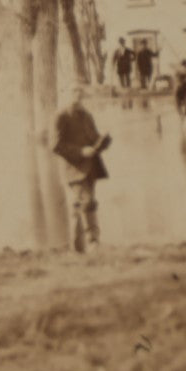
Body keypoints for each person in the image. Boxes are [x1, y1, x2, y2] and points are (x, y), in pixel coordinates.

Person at [54, 84, 111, 253]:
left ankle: (86, 245)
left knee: (88, 203)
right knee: (83, 203)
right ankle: (87, 244)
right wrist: (80, 152)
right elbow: (56, 145)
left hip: (91, 167)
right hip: (74, 168)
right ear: (65, 94)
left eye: (80, 93)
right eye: (74, 92)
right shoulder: (61, 116)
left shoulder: (87, 115)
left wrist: (102, 142)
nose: (78, 96)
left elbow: (92, 137)